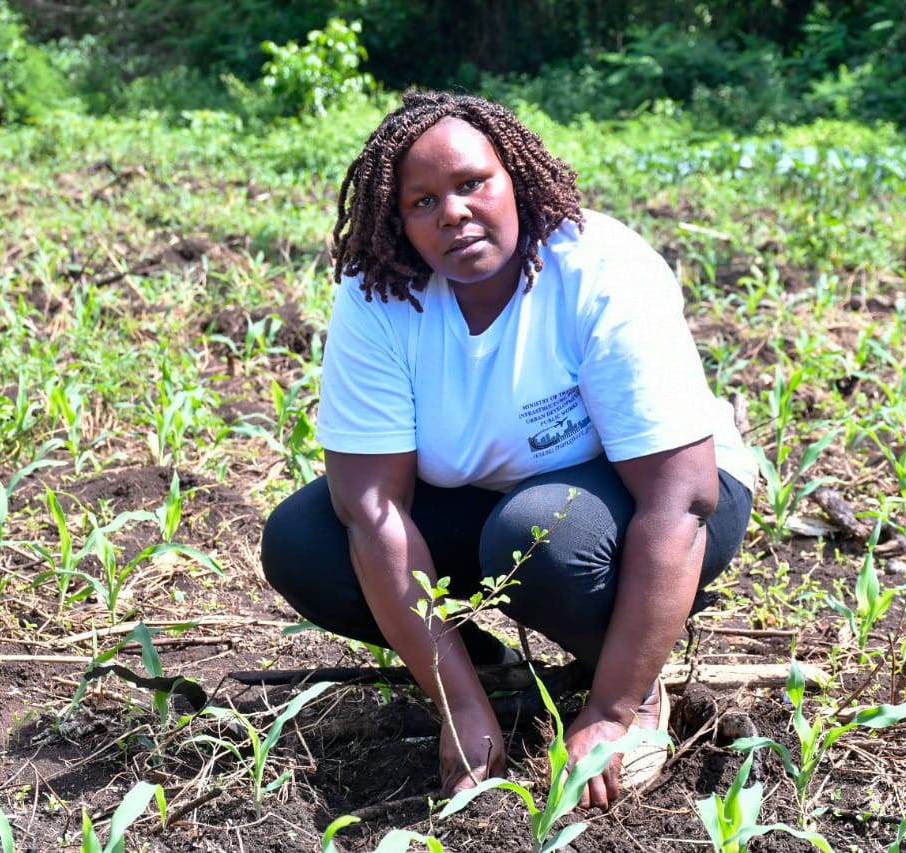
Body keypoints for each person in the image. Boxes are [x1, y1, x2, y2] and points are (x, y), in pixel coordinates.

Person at [261, 90, 756, 810]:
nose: (452, 212)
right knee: (307, 542)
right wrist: (457, 701)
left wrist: (612, 712)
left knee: (536, 535)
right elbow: (372, 512)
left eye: (471, 183)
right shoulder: (381, 297)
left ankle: (637, 686)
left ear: (513, 179)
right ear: (398, 223)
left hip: (663, 500)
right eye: (422, 202)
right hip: (493, 495)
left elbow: (679, 496)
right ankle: (489, 673)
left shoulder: (598, 268)